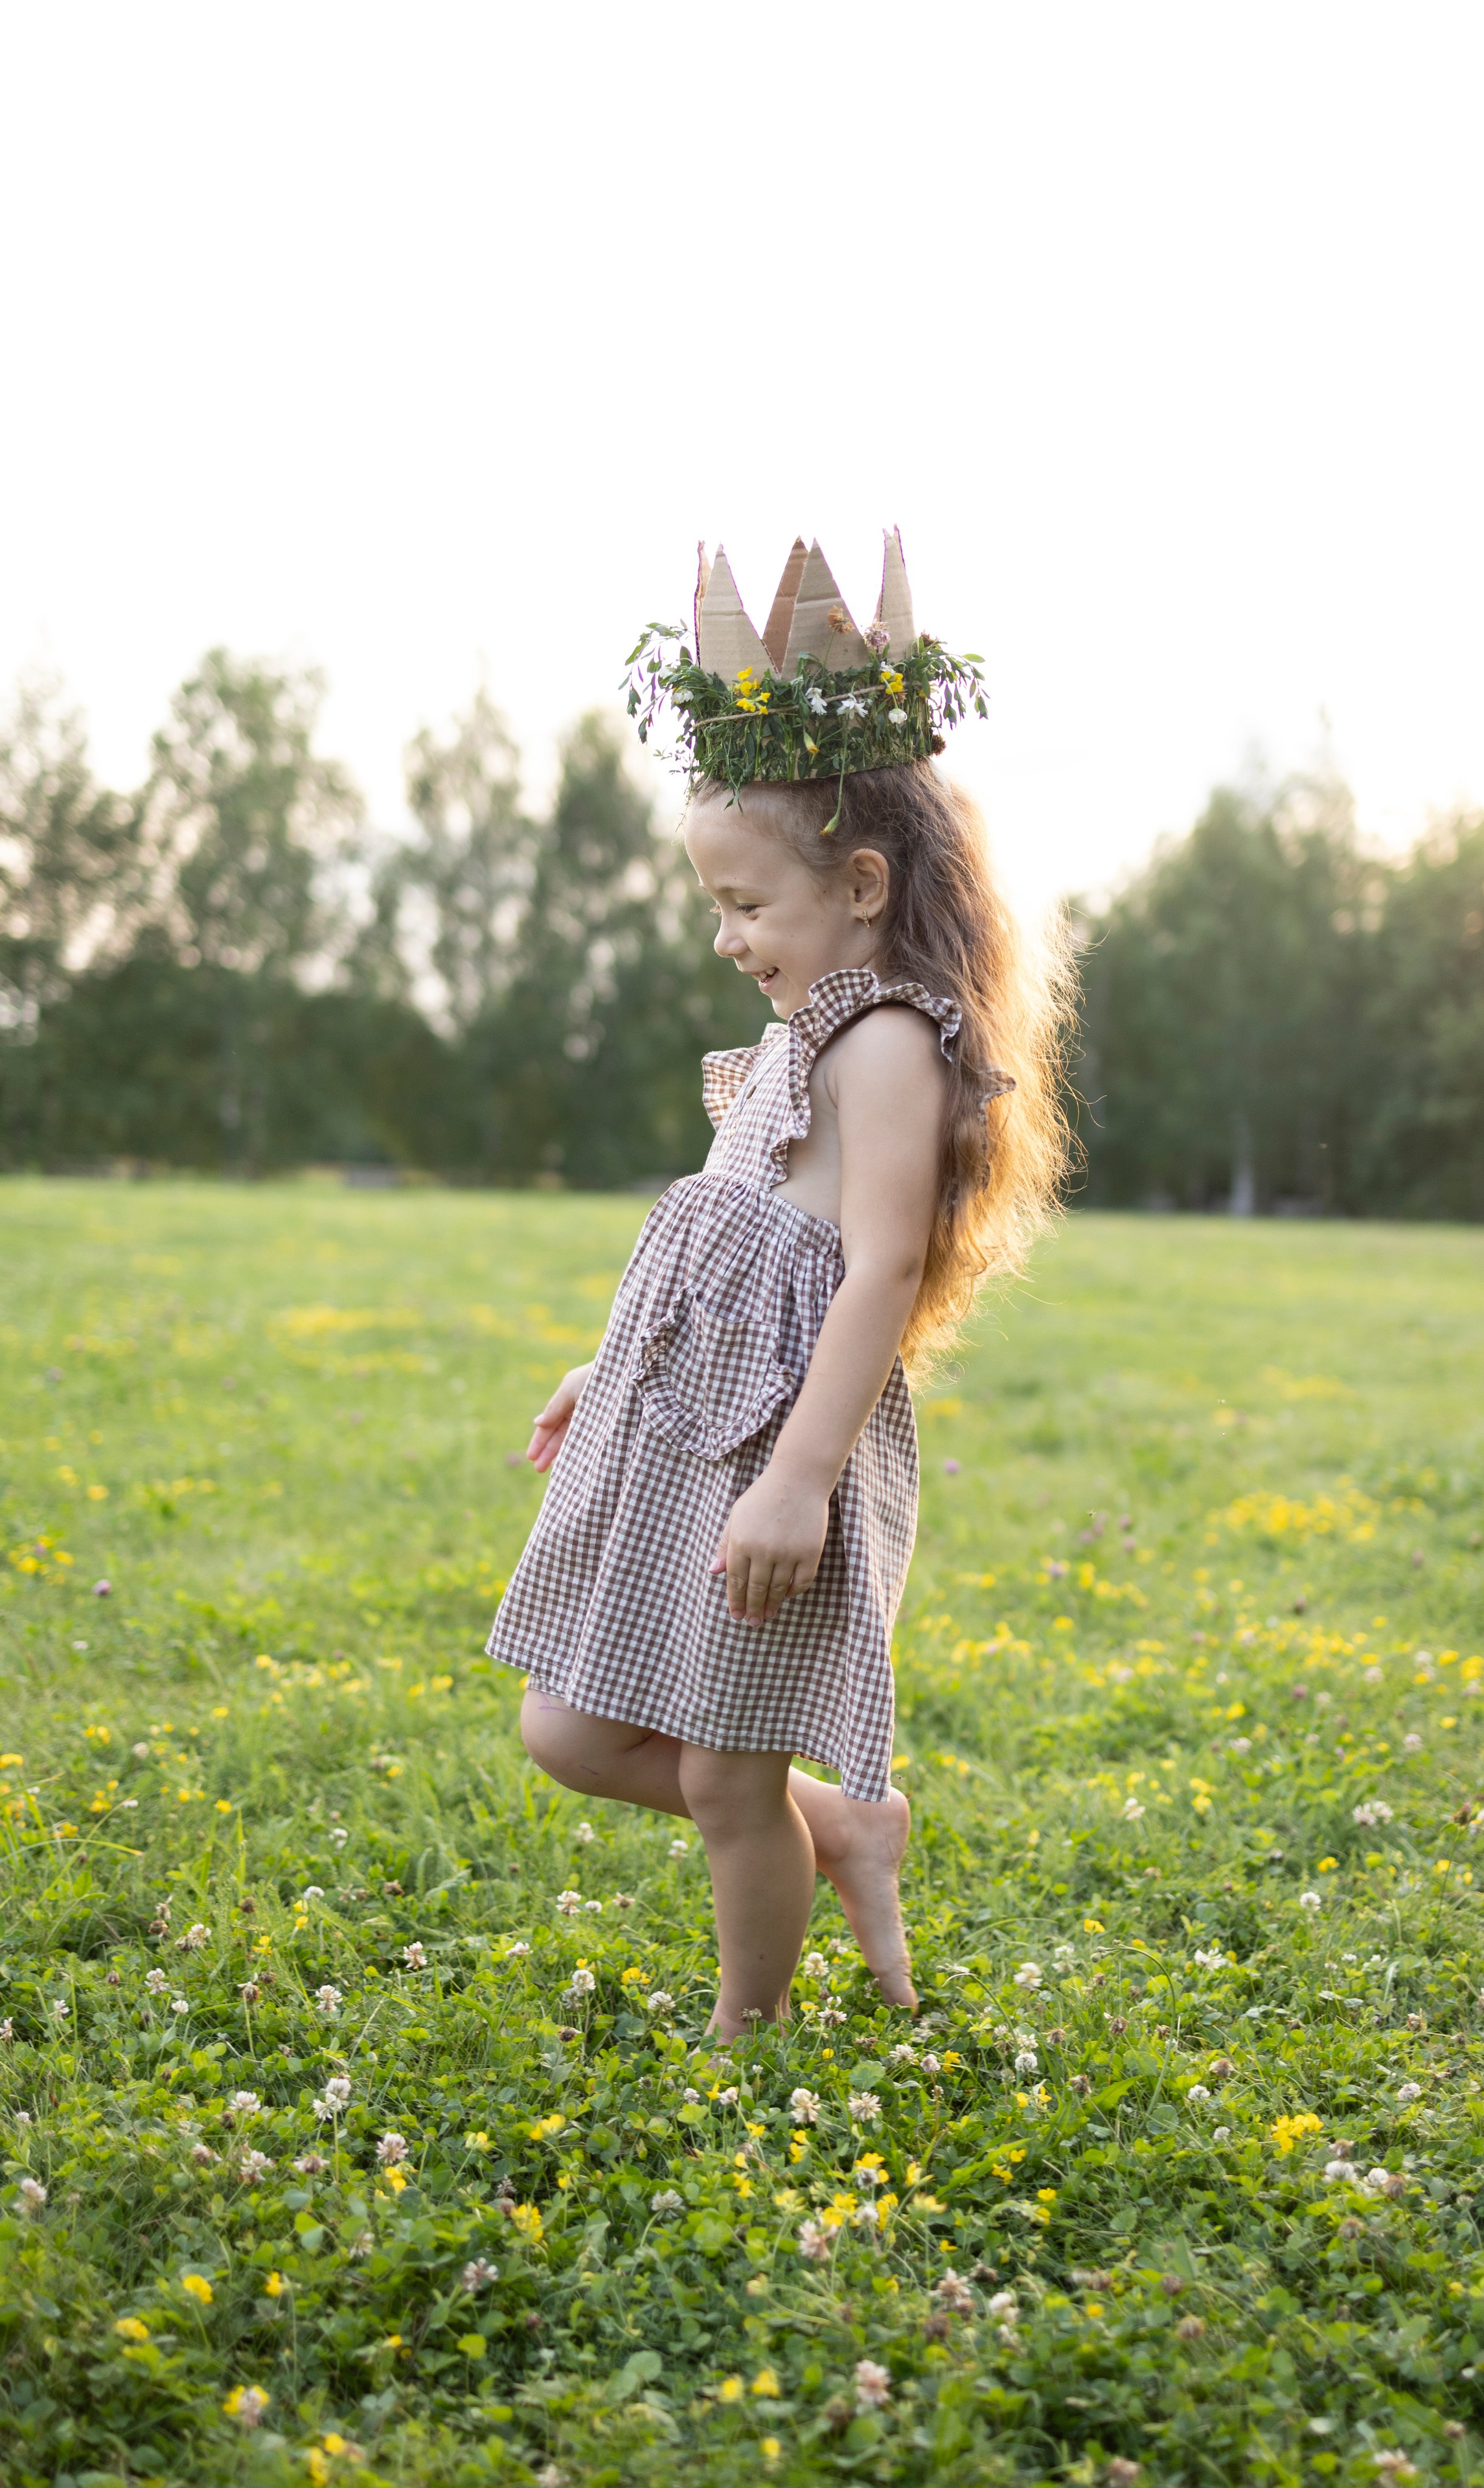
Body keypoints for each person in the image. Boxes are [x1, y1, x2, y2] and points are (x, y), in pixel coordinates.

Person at [487, 532, 1071, 2040]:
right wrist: (599, 1371)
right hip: (694, 1428)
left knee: (720, 1774)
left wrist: (799, 1482)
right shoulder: (805, 1034)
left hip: (780, 1454)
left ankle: (748, 2037)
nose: (726, 937)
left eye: (746, 905)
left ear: (860, 884)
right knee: (568, 1727)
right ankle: (849, 1826)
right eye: (716, 906)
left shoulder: (884, 1039)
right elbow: (722, 1241)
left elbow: (877, 1265)